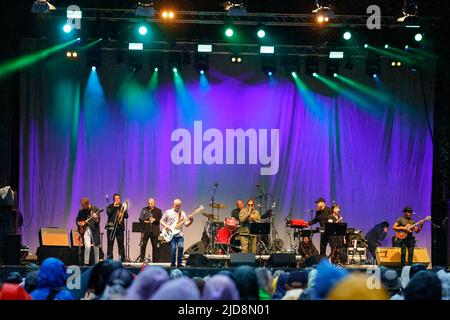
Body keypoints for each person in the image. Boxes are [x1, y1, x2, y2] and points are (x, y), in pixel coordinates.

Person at [160, 199, 194, 267]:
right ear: (173, 205)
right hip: (171, 234)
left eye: (179, 205)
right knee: (173, 249)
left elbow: (186, 225)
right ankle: (172, 264)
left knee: (181, 247)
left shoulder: (182, 213)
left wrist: (191, 221)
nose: (178, 207)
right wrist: (166, 226)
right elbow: (161, 220)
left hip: (179, 234)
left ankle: (179, 263)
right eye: (177, 205)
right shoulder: (168, 212)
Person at [76, 197, 101, 265]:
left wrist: (95, 217)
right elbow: (77, 219)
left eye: (84, 206)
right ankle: (86, 263)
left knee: (96, 248)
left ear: (88, 204)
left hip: (94, 230)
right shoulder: (81, 211)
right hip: (86, 230)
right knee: (87, 246)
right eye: (82, 206)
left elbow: (97, 221)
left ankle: (97, 264)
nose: (83, 208)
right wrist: (80, 225)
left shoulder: (95, 209)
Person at [138, 198, 162, 262]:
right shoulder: (144, 209)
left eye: (151, 203)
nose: (150, 205)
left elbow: (160, 220)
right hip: (146, 230)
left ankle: (155, 261)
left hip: (154, 231)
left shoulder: (158, 210)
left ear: (154, 203)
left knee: (155, 247)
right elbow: (140, 219)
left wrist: (154, 219)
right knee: (143, 245)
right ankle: (142, 259)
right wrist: (146, 220)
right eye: (149, 203)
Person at [106, 194, 129, 262]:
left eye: (118, 198)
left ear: (119, 199)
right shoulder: (110, 206)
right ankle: (110, 260)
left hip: (120, 228)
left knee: (121, 245)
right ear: (113, 200)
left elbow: (127, 216)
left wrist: (122, 214)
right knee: (110, 244)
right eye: (115, 199)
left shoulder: (122, 206)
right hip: (111, 228)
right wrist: (114, 206)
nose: (117, 200)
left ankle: (122, 259)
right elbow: (108, 213)